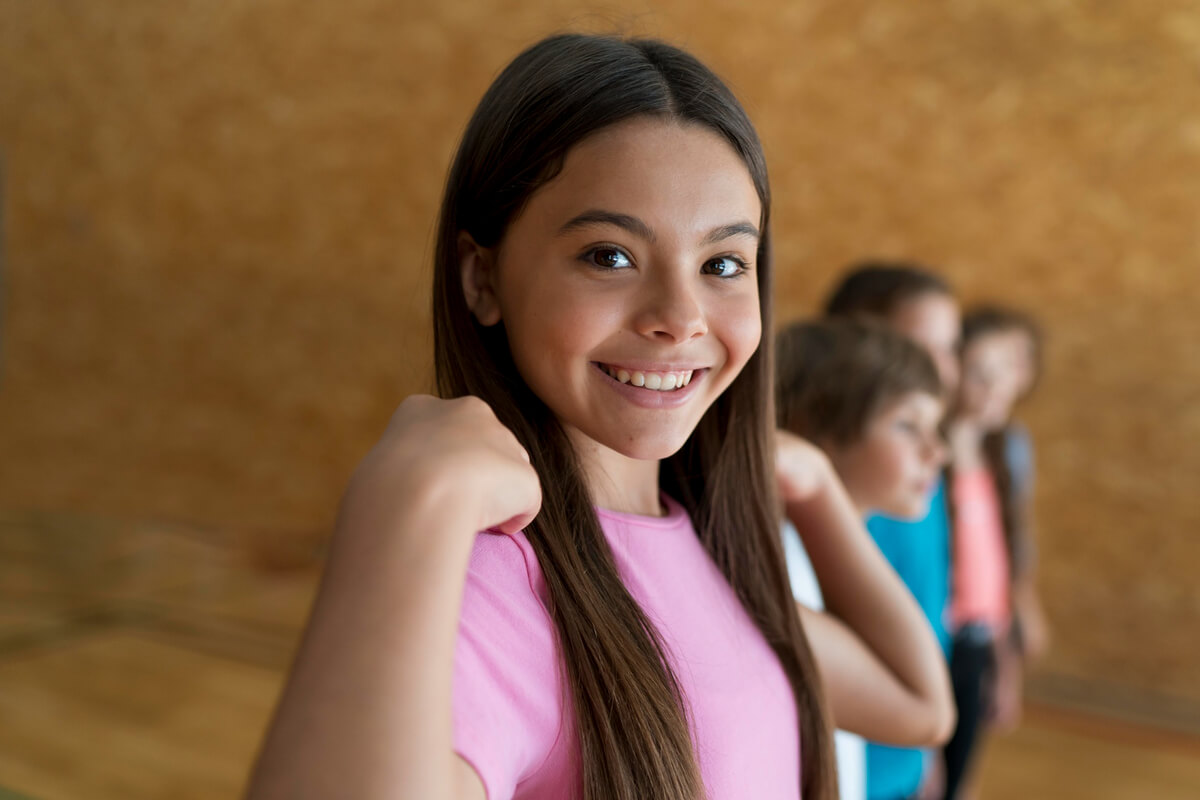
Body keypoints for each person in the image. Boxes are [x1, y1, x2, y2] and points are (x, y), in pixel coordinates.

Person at [245, 34, 954, 800]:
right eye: (609, 256)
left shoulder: (708, 549)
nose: (680, 318)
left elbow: (918, 704)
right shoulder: (498, 578)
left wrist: (813, 487)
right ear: (482, 279)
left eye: (722, 264)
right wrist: (405, 504)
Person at [775, 318, 950, 800]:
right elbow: (928, 712)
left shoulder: (849, 543)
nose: (937, 451)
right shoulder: (778, 557)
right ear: (817, 427)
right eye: (907, 426)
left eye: (935, 428)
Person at [823, 262, 961, 800]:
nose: (943, 371)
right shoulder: (861, 479)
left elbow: (927, 604)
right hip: (856, 752)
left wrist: (926, 756)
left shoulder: (917, 474)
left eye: (951, 347)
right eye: (922, 347)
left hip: (904, 745)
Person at [940, 306, 1048, 800]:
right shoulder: (929, 456)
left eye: (1008, 372)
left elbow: (1005, 561)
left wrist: (1006, 668)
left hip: (980, 643)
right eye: (981, 373)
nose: (998, 387)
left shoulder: (1004, 451)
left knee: (962, 774)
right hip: (934, 641)